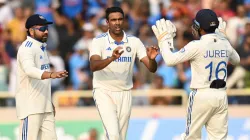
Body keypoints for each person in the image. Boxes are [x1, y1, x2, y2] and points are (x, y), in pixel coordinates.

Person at [151, 9, 240, 139]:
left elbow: (170, 60)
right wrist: (223, 37)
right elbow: (236, 60)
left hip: (201, 95)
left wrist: (164, 40)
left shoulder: (196, 45)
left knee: (191, 137)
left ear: (198, 27)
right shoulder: (224, 43)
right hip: (221, 95)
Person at [89, 7, 158, 140]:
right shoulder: (99, 41)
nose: (117, 23)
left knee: (120, 137)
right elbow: (93, 65)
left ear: (124, 21)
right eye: (113, 20)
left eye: (120, 19)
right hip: (104, 91)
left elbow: (151, 68)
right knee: (113, 135)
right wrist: (111, 58)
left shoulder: (134, 41)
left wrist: (151, 59)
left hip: (125, 92)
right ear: (107, 22)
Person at [15, 14, 68, 140]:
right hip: (30, 108)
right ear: (31, 31)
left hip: (45, 107)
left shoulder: (42, 48)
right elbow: (29, 70)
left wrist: (49, 102)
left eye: (47, 28)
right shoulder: (26, 48)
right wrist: (51, 74)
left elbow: (42, 83)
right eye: (42, 29)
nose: (46, 32)